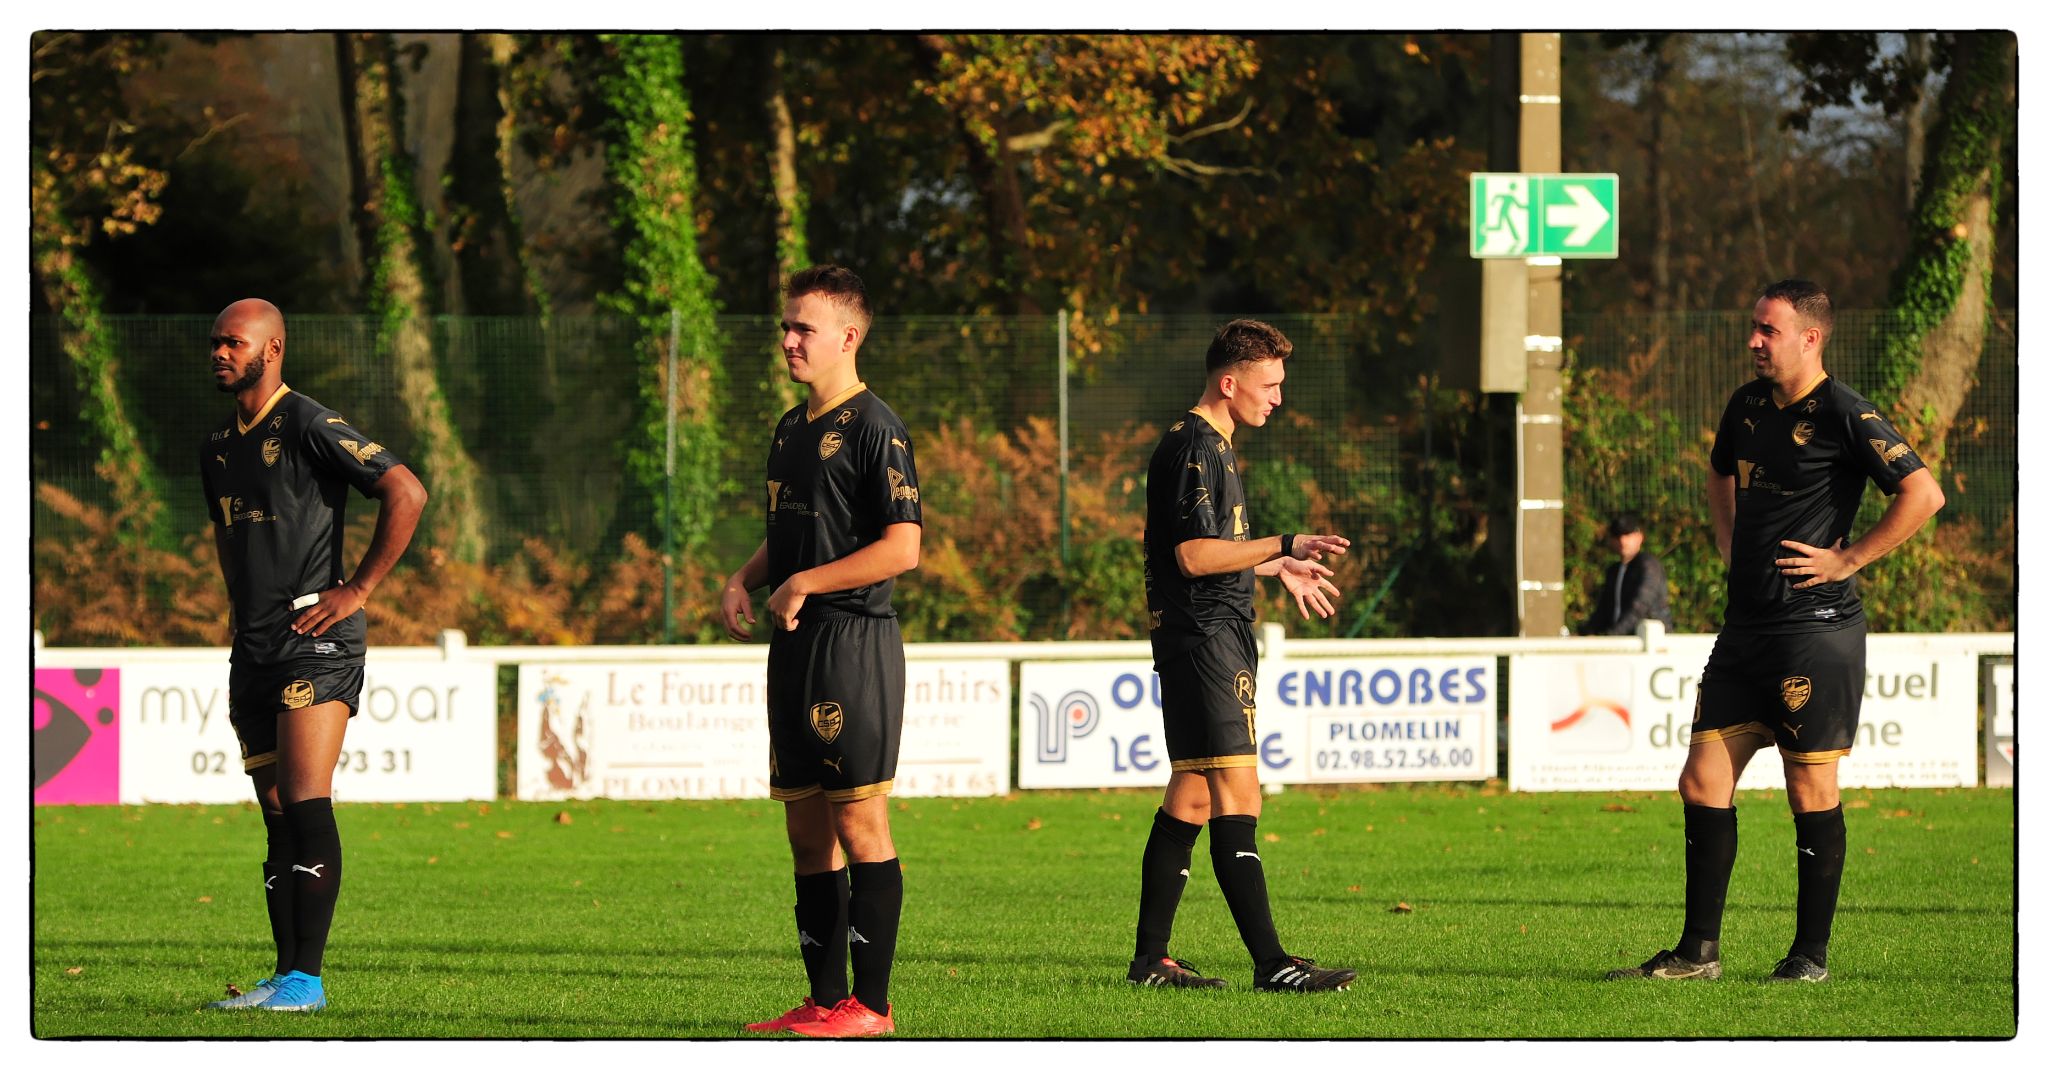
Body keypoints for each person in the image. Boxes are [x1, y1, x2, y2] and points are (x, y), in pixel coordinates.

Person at [1607, 279, 1943, 984]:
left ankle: (1809, 957)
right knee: (1701, 781)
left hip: (1814, 631)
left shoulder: (1847, 413)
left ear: (1810, 338)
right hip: (1746, 630)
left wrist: (1848, 558)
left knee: (1808, 789)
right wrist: (1729, 541)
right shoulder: (1747, 405)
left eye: (1769, 330)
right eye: (1754, 327)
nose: (1754, 341)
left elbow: (1923, 492)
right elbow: (1718, 474)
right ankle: (1697, 953)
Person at [198, 298, 427, 1012]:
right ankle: (282, 976)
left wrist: (357, 589)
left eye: (234, 343)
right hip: (255, 647)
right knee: (274, 814)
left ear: (272, 350)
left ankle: (308, 980)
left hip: (315, 643)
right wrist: (239, 614)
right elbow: (228, 538)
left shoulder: (307, 422)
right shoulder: (217, 445)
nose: (220, 353)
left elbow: (406, 490)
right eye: (215, 342)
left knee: (304, 801)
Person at [1128, 318, 1358, 994]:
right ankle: (1272, 965)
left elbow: (1204, 553)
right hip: (1206, 640)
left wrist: (1274, 565)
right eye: (1270, 384)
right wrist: (1283, 542)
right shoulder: (1198, 447)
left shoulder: (1205, 443)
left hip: (1201, 634)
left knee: (1193, 796)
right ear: (1230, 383)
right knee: (1238, 792)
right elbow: (1193, 556)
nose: (1278, 397)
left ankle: (1151, 961)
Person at [721, 265, 921, 1037]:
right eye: (786, 325)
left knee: (860, 824)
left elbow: (902, 547)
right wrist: (744, 577)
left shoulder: (876, 427)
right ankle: (824, 1000)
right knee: (805, 831)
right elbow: (793, 531)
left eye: (803, 327)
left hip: (852, 642)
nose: (788, 340)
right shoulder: (788, 427)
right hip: (794, 644)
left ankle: (872, 1007)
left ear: (848, 336)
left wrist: (805, 581)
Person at [1578, 512, 1675, 635]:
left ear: (1639, 537)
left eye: (1627, 535)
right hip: (1623, 640)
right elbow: (1603, 610)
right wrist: (1585, 633)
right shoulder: (1613, 571)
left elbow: (1640, 606)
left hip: (1649, 640)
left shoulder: (1648, 566)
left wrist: (1613, 635)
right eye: (1618, 536)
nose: (1623, 541)